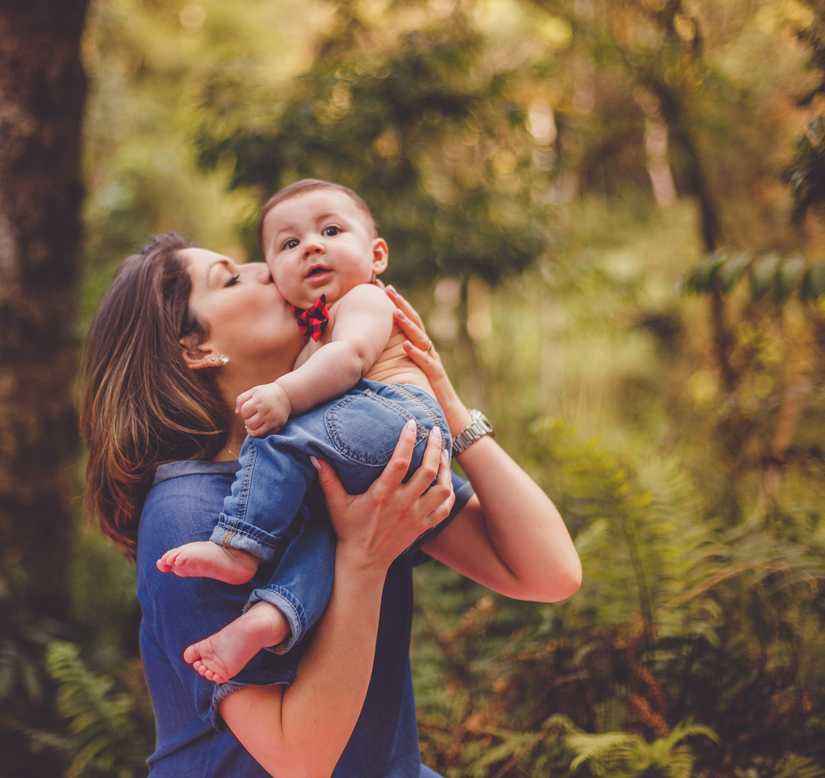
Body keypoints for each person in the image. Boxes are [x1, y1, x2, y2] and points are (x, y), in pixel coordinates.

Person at [80, 232, 581, 778]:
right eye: (229, 277)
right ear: (197, 349)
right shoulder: (185, 517)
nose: (266, 268)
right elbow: (298, 758)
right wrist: (361, 560)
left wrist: (448, 405)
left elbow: (548, 574)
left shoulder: (341, 452)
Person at [157, 179, 452, 684]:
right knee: (321, 540)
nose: (311, 245)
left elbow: (352, 357)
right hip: (378, 445)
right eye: (289, 245)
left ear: (377, 254)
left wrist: (284, 395)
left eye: (331, 230)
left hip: (396, 417)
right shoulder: (313, 336)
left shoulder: (364, 300)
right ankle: (269, 620)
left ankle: (238, 546)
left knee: (279, 434)